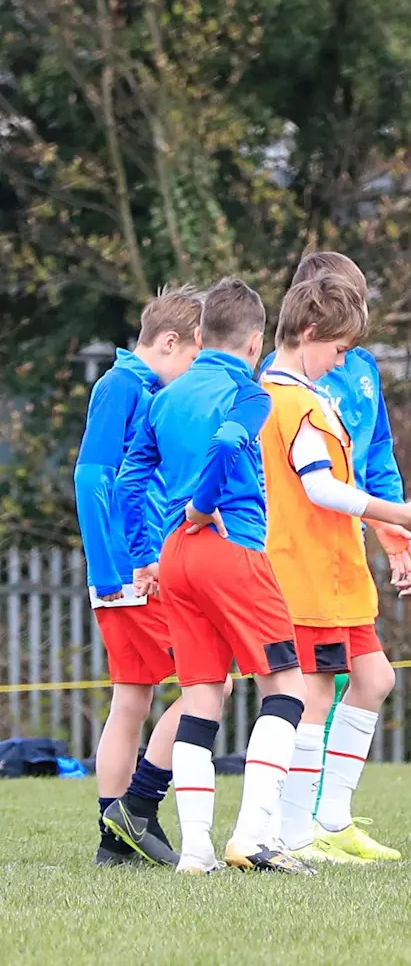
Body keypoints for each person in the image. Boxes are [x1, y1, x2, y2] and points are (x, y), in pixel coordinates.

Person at [118, 277, 314, 875]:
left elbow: (129, 482)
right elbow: (230, 443)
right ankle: (252, 838)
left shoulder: (165, 396)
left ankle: (196, 852)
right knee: (287, 686)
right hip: (231, 548)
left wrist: (144, 555)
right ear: (255, 343)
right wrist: (204, 505)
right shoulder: (250, 394)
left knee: (202, 694)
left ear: (199, 336)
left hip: (175, 558)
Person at [260, 275, 411, 864]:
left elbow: (368, 457)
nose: (345, 361)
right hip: (305, 571)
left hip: (338, 569)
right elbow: (320, 488)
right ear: (311, 332)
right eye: (339, 349)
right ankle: (294, 833)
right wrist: (397, 512)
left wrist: (386, 527)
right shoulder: (288, 397)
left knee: (374, 678)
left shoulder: (312, 391)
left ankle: (328, 821)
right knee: (311, 695)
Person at [76, 287, 205, 867]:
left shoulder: (148, 391)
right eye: (196, 359)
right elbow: (91, 477)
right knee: (209, 685)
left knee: (132, 698)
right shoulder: (121, 386)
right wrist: (112, 568)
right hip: (132, 575)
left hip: (137, 570)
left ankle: (114, 840)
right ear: (170, 342)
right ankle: (138, 808)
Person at [261, 252, 411, 598]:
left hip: (352, 525)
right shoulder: (280, 376)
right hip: (296, 536)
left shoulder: (364, 367)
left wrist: (393, 519)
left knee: (351, 625)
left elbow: (377, 451)